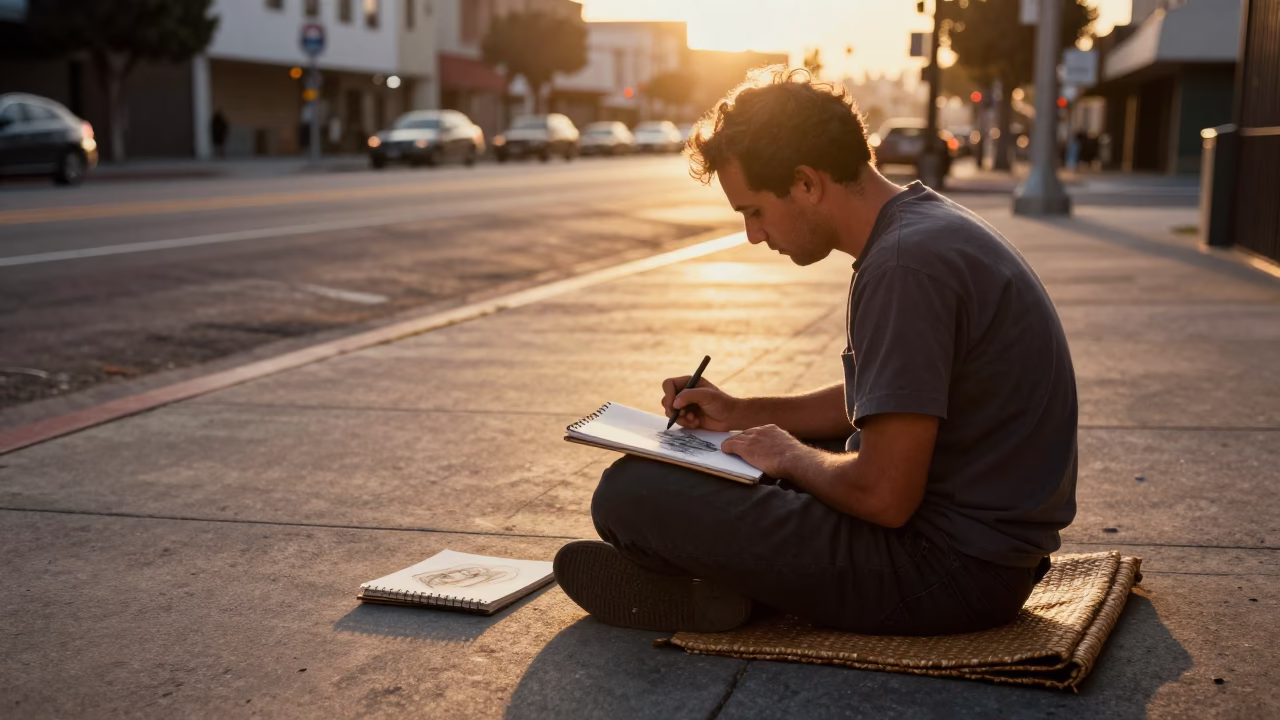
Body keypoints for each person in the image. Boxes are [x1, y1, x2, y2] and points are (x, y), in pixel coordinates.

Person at [553, 67, 1078, 637]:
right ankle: (735, 583)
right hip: (985, 551)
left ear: (805, 182)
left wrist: (792, 456)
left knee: (631, 494)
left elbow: (883, 496)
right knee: (738, 458)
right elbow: (885, 401)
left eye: (753, 210)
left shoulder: (904, 267)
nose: (754, 235)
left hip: (948, 573)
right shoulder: (922, 227)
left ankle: (730, 591)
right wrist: (742, 412)